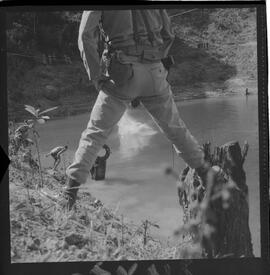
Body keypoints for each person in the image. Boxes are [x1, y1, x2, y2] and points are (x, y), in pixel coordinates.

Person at [63, 9, 212, 210]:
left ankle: (69, 195)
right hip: (155, 72)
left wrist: (97, 77)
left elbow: (85, 35)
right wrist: (158, 62)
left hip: (122, 74)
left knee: (95, 134)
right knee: (177, 130)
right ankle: (207, 175)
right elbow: (168, 34)